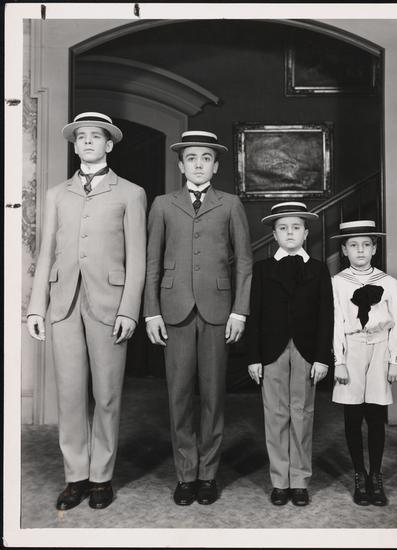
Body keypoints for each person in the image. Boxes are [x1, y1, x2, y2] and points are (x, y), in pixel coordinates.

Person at [27, 112, 147, 511]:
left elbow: (138, 258)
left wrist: (129, 310)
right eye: (82, 137)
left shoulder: (130, 193)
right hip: (63, 302)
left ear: (109, 145)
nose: (89, 142)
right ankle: (75, 477)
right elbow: (45, 252)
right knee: (69, 394)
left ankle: (101, 478)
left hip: (110, 303)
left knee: (107, 394)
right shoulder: (57, 194)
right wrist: (36, 307)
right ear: (75, 145)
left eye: (96, 136)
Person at [144, 130, 252, 506]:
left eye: (206, 158)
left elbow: (245, 262)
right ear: (181, 164)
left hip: (218, 311)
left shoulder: (230, 204)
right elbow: (152, 262)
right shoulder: (162, 204)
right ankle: (185, 474)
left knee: (213, 396)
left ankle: (208, 474)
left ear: (216, 166)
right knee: (178, 396)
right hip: (173, 309)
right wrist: (151, 312)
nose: (199, 164)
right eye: (192, 158)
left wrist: (239, 310)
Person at [246, 202, 334, 507]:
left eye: (296, 227)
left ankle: (299, 480)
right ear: (274, 234)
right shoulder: (262, 269)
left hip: (307, 350)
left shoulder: (319, 269)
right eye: (283, 228)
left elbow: (326, 315)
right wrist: (253, 357)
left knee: (302, 413)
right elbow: (254, 314)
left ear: (306, 232)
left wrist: (322, 357)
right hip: (272, 350)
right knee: (275, 414)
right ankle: (279, 481)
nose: (290, 233)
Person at [330, 220, 397, 506]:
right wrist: (339, 360)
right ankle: (359, 475)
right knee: (352, 415)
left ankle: (376, 474)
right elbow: (336, 323)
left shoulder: (389, 283)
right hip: (352, 348)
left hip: (380, 349)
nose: (360, 250)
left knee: (375, 415)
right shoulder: (337, 283)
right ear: (344, 250)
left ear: (374, 249)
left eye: (366, 244)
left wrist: (395, 359)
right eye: (353, 245)